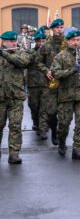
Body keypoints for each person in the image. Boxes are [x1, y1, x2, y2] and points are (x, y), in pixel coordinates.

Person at [50, 30, 80, 160]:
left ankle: (77, 149)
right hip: (66, 95)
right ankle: (62, 141)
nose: (76, 43)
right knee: (64, 123)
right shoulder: (60, 56)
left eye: (78, 40)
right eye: (73, 40)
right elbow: (55, 73)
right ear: (68, 41)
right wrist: (71, 71)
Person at [0, 31, 30, 164]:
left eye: (14, 41)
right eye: (10, 41)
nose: (14, 43)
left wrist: (5, 53)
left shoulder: (20, 53)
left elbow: (23, 62)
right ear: (4, 42)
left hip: (16, 97)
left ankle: (14, 153)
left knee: (15, 126)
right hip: (0, 97)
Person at [37, 18, 65, 144]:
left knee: (65, 113)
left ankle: (61, 137)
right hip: (51, 83)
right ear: (52, 29)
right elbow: (38, 61)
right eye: (57, 28)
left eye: (61, 27)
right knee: (52, 112)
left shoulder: (67, 43)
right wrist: (45, 70)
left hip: (66, 82)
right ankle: (53, 130)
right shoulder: (46, 45)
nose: (60, 30)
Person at [27, 32, 48, 133]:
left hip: (45, 83)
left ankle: (43, 128)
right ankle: (35, 121)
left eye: (43, 41)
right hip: (33, 84)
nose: (41, 43)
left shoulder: (48, 53)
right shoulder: (30, 52)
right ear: (35, 42)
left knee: (44, 107)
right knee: (34, 105)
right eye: (39, 41)